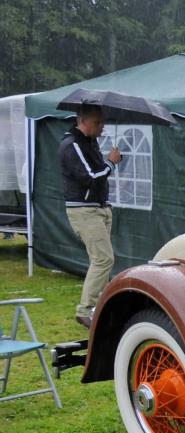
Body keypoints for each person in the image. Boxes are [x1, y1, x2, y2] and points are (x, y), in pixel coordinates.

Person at [60, 104, 121, 329]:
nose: (102, 127)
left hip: (99, 207)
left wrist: (108, 165)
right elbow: (92, 178)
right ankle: (85, 310)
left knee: (101, 260)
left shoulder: (89, 143)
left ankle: (98, 308)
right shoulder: (71, 145)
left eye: (102, 122)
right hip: (84, 210)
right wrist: (111, 163)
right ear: (82, 121)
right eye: (97, 123)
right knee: (103, 259)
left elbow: (99, 176)